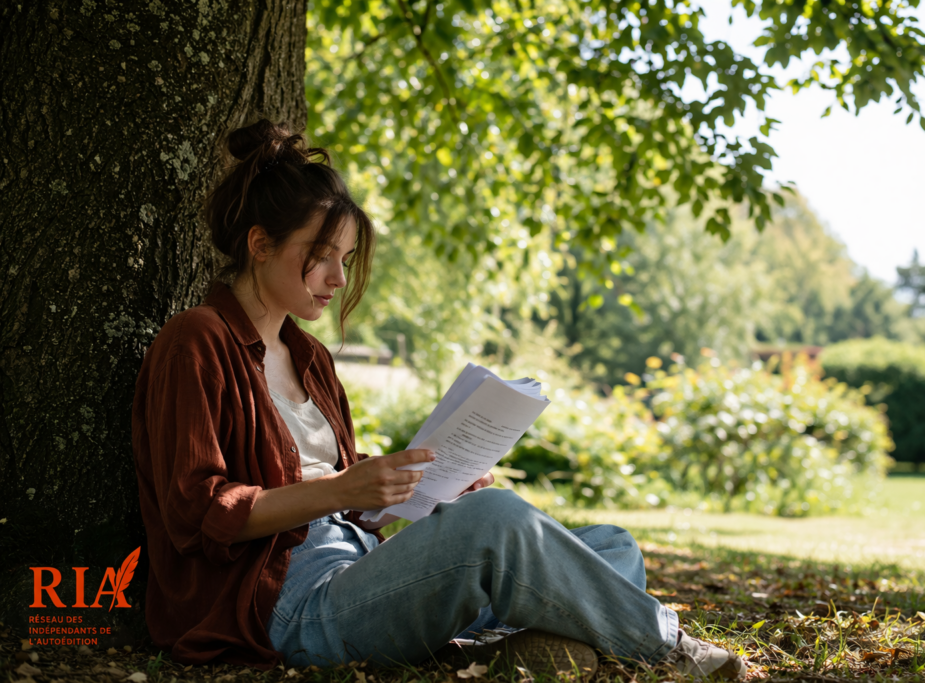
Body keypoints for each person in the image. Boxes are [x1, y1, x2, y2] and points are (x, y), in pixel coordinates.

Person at [131, 118, 747, 681]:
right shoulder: (197, 340)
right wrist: (346, 489)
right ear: (261, 244)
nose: (339, 280)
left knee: (612, 546)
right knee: (502, 525)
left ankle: (494, 650)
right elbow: (197, 512)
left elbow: (350, 509)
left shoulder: (310, 358)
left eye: (344, 260)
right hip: (286, 604)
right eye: (320, 259)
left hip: (358, 564)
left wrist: (422, 487)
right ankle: (668, 649)